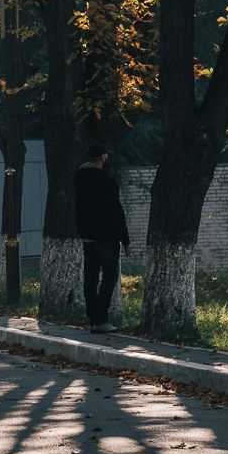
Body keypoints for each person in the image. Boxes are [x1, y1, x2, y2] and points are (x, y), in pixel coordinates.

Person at [74, 142, 131, 334]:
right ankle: (101, 320)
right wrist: (125, 240)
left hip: (87, 237)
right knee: (109, 277)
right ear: (103, 157)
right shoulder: (105, 181)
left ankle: (92, 316)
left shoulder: (78, 179)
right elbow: (115, 212)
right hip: (106, 238)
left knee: (90, 279)